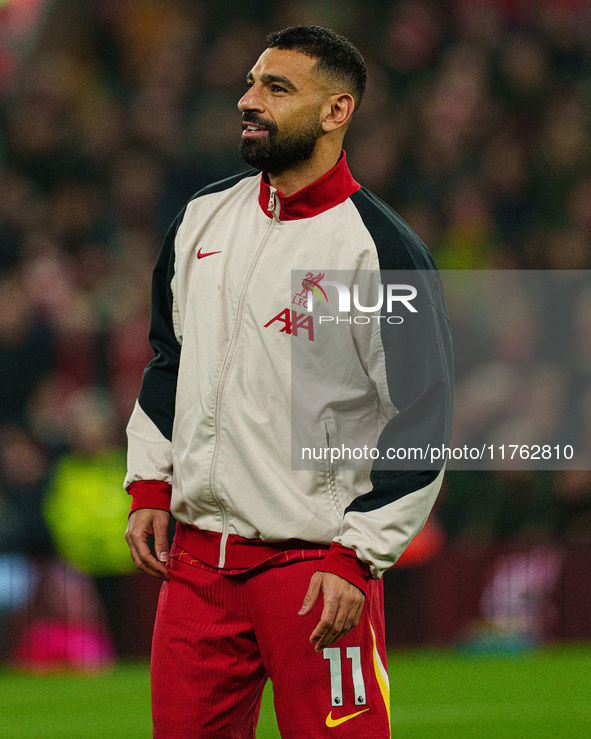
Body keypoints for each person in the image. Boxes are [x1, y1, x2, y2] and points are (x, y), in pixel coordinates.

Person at [124, 25, 452, 739]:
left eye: (276, 88)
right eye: (250, 83)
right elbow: (167, 360)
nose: (249, 100)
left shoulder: (378, 250)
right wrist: (150, 483)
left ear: (337, 111)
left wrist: (357, 554)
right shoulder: (200, 218)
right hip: (196, 572)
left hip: (315, 572)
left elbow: (422, 416)